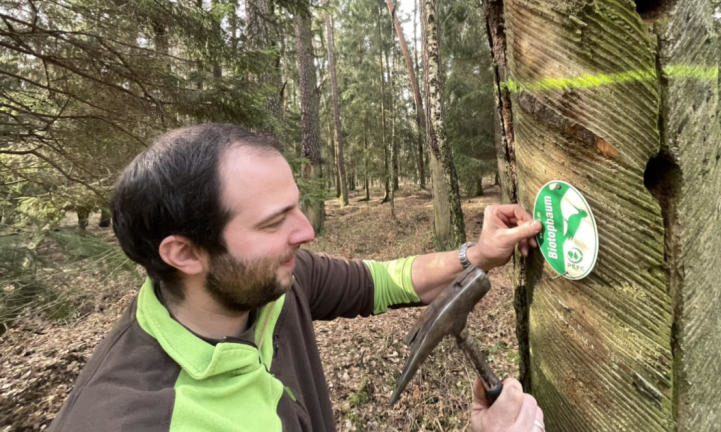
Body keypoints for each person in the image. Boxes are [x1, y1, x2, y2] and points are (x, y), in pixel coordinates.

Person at [48, 123, 545, 431]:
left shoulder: (269, 283)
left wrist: (477, 254)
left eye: (296, 210)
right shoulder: (140, 419)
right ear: (184, 253)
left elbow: (387, 281)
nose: (306, 232)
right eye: (272, 223)